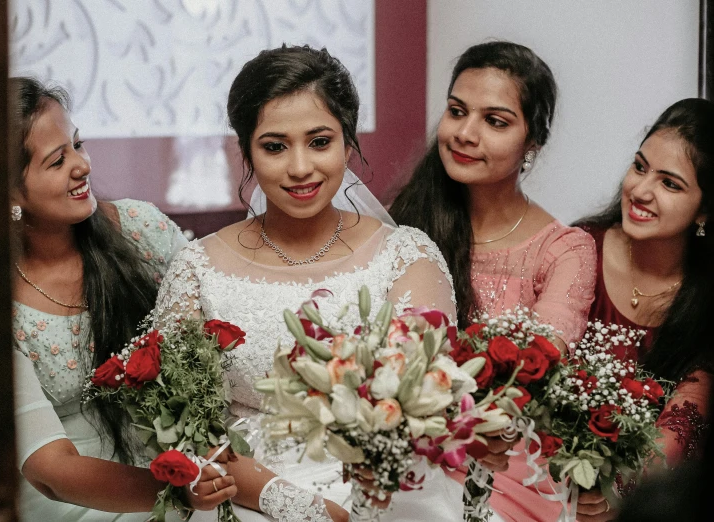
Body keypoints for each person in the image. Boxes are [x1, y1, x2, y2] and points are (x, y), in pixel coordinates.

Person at [153, 44, 461, 522]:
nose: (300, 168)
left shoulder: (406, 256)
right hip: (246, 494)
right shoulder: (197, 268)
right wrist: (293, 504)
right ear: (247, 150)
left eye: (320, 141)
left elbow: (429, 407)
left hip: (386, 488)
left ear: (347, 142)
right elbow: (181, 424)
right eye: (274, 146)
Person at [8, 77, 235, 520]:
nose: (82, 166)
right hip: (74, 494)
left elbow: (215, 324)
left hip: (177, 460)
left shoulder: (137, 228)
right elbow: (51, 470)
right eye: (57, 161)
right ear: (10, 193)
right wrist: (179, 491)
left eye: (78, 144)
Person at [390, 41, 597, 521]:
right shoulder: (408, 223)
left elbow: (533, 372)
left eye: (495, 121)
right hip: (406, 441)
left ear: (533, 143)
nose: (465, 133)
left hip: (506, 458)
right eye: (456, 111)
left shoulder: (564, 249)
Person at [572, 98, 714, 521]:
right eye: (639, 166)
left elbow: (680, 430)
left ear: (705, 209)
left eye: (670, 184)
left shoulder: (703, 304)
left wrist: (614, 495)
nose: (641, 190)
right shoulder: (578, 250)